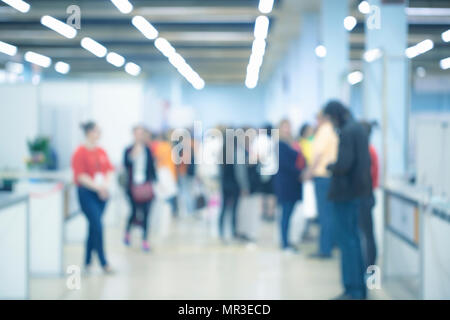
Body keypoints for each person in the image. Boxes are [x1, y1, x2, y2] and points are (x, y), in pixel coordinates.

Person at [323, 101, 372, 300]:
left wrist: (330, 166)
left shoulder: (348, 131)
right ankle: (358, 289)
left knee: (348, 242)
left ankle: (352, 290)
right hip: (357, 193)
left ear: (335, 115)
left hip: (345, 194)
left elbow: (344, 163)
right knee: (354, 241)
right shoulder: (357, 129)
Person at [71, 121, 114, 274]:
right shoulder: (80, 152)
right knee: (98, 225)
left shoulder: (101, 151)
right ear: (89, 132)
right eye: (96, 131)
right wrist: (99, 188)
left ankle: (88, 261)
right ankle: (103, 262)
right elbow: (81, 176)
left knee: (93, 227)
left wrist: (105, 187)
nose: (99, 134)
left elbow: (109, 170)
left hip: (101, 195)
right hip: (87, 193)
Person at [305, 111, 338, 258]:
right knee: (328, 214)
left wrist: (309, 172)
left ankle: (325, 249)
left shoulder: (324, 132)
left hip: (323, 177)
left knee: (324, 214)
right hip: (329, 177)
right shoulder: (331, 132)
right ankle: (327, 245)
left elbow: (318, 155)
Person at [123, 125, 157, 252]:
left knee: (147, 213)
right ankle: (127, 232)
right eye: (137, 133)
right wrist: (134, 154)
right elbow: (126, 164)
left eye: (142, 133)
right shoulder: (128, 150)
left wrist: (156, 182)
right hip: (132, 187)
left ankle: (145, 240)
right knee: (134, 212)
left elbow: (152, 168)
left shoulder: (148, 150)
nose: (140, 136)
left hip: (146, 186)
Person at [273, 119, 305, 252]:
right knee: (285, 214)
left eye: (289, 127)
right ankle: (285, 242)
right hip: (286, 184)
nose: (287, 129)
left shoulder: (292, 143)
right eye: (284, 127)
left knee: (290, 214)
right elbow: (286, 165)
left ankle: (288, 240)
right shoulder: (280, 145)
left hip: (294, 183)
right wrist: (302, 173)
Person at [359, 121, 379, 270]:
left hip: (365, 196)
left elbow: (369, 176)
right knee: (366, 233)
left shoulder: (367, 151)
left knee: (368, 234)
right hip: (366, 195)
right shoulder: (368, 150)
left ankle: (370, 266)